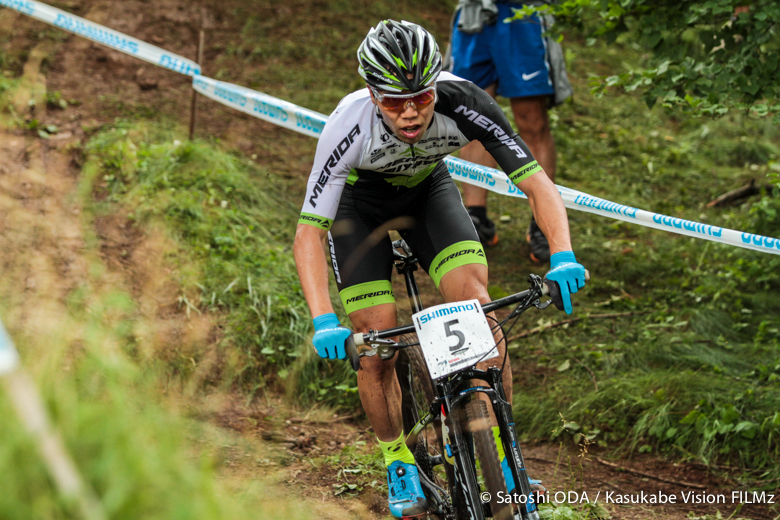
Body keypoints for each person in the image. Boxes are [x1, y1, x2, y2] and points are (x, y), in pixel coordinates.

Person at [293, 20, 585, 518]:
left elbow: (536, 182)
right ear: (371, 93)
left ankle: (501, 446)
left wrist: (562, 253)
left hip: (430, 194)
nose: (409, 112)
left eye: (421, 98)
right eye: (392, 101)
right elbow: (308, 234)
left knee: (475, 304)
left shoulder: (466, 99)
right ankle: (397, 460)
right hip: (357, 209)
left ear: (437, 85)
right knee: (377, 339)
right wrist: (323, 318)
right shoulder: (348, 124)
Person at [450, 0, 572, 262]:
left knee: (532, 119)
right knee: (469, 114)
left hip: (522, 12)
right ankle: (475, 217)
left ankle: (543, 225)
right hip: (473, 12)